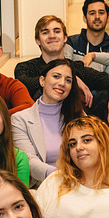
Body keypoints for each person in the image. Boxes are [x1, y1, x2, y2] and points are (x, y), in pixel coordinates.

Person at [14, 15, 109, 126]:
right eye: (45, 32)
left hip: (77, 127)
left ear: (65, 38)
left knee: (106, 95)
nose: (52, 36)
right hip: (40, 127)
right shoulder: (25, 67)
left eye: (57, 31)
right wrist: (71, 80)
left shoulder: (76, 68)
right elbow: (26, 84)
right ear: (37, 40)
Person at [12, 59, 85, 187]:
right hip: (43, 186)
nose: (62, 83)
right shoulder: (20, 120)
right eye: (56, 76)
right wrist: (62, 176)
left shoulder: (79, 115)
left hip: (79, 182)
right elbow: (30, 161)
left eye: (68, 80)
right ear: (42, 80)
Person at [64, 0, 109, 78]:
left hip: (104, 88)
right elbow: (65, 67)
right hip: (80, 87)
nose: (97, 17)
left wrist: (93, 56)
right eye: (92, 13)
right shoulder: (71, 42)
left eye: (101, 13)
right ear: (85, 18)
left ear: (108, 17)